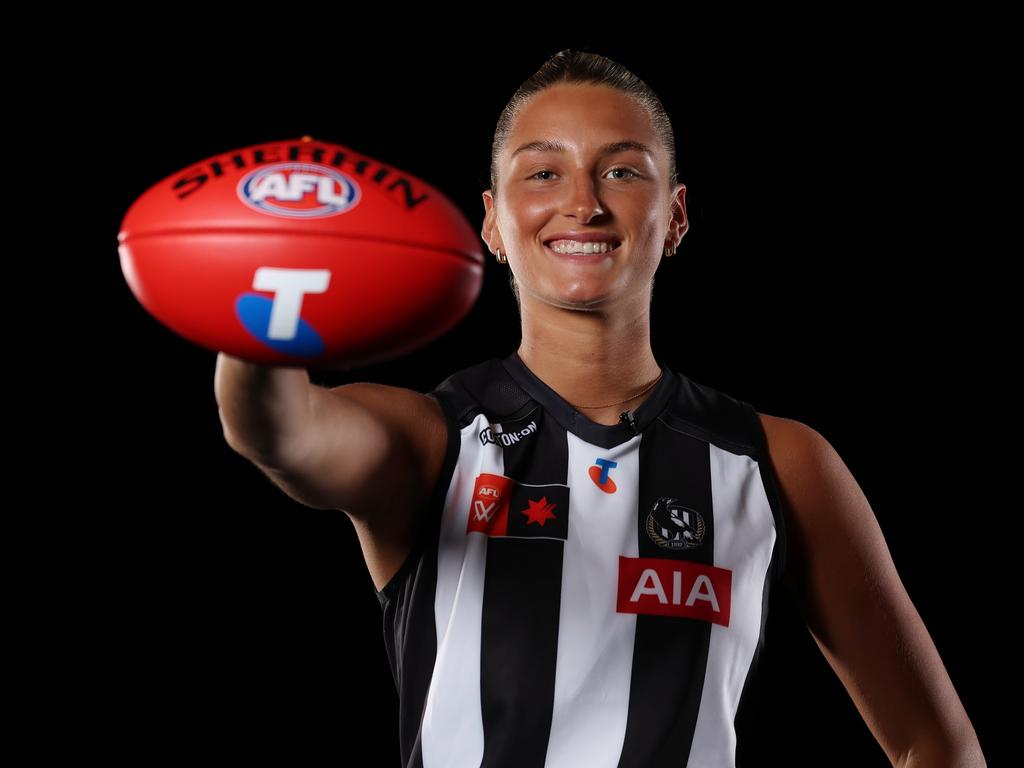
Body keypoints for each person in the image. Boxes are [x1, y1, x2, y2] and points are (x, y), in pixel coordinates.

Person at [215, 49, 985, 768]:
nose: (582, 204)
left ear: (676, 215)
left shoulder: (776, 461)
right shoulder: (432, 441)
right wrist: (267, 296)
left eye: (621, 170)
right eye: (543, 173)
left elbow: (937, 747)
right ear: (492, 221)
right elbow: (278, 430)